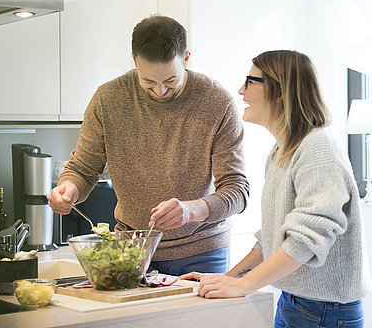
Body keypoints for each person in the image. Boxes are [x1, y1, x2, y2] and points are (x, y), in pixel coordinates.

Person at [181, 50, 371, 327]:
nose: (241, 90)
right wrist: (231, 277)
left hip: (324, 312)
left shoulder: (317, 148)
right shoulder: (282, 151)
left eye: (250, 82)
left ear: (280, 91)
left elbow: (305, 240)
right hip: (295, 303)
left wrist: (243, 285)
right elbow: (271, 240)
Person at [48, 15, 250, 275]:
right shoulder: (108, 99)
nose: (159, 92)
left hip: (202, 252)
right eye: (148, 82)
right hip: (131, 251)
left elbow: (237, 190)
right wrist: (69, 189)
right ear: (134, 58)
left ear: (186, 58)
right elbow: (84, 169)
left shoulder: (217, 102)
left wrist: (191, 210)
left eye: (170, 81)